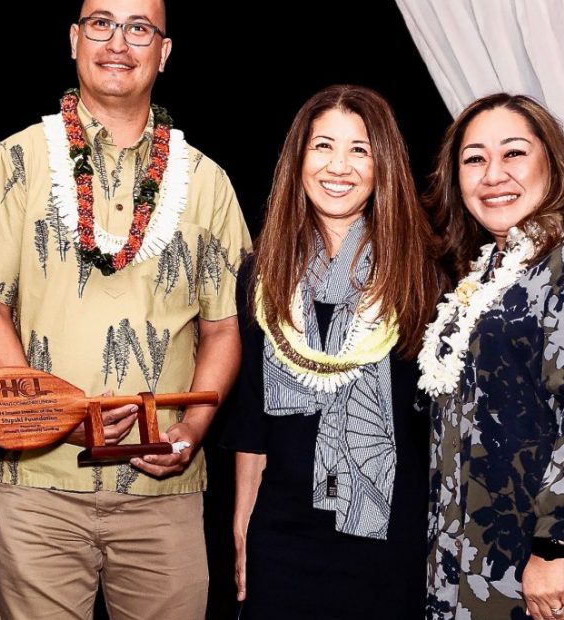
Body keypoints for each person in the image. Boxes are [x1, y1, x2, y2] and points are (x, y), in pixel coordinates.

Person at [0, 1, 251, 618]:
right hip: (35, 489)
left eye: (139, 28)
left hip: (163, 494)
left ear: (164, 51)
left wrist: (192, 433)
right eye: (101, 23)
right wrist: (50, 412)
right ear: (73, 39)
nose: (118, 42)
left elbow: (223, 329)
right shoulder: (15, 162)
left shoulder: (206, 181)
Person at [222, 85, 443, 618]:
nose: (338, 166)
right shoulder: (263, 273)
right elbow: (252, 417)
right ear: (298, 159)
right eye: (323, 146)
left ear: (382, 164)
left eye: (359, 150)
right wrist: (242, 525)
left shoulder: (423, 274)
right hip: (282, 530)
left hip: (389, 532)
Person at [422, 93, 564, 620]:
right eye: (474, 159)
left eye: (513, 153)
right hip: (474, 551)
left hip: (556, 558)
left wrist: (552, 548)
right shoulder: (485, 274)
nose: (493, 173)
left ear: (552, 161)